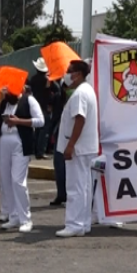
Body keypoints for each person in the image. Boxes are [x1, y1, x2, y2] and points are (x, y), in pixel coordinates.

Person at [0, 84, 44, 233]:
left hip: (20, 142)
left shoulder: (28, 100)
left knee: (18, 181)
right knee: (5, 181)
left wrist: (18, 122)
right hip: (3, 141)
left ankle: (25, 219)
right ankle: (13, 216)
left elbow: (40, 121)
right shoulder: (4, 103)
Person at [56, 60, 99, 237]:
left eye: (70, 71)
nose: (67, 74)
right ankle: (83, 223)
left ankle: (74, 224)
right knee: (85, 187)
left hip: (78, 148)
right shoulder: (87, 90)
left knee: (75, 187)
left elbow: (79, 119)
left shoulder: (80, 93)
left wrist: (70, 145)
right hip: (86, 147)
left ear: (78, 74)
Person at [28, 58, 51, 159]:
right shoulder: (47, 80)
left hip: (35, 106)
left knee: (36, 129)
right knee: (43, 130)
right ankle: (40, 151)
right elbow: (54, 91)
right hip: (44, 106)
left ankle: (34, 149)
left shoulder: (33, 79)